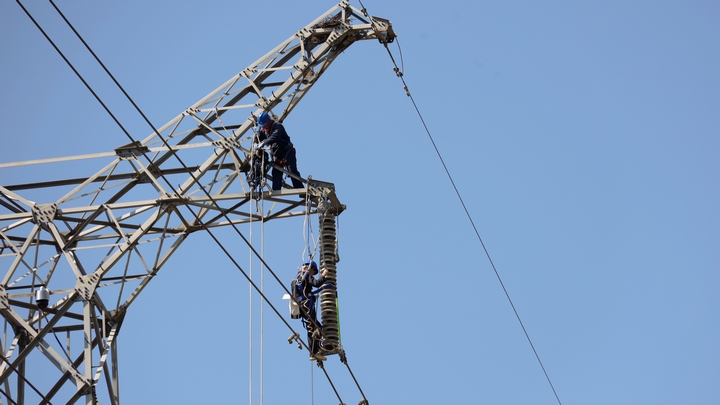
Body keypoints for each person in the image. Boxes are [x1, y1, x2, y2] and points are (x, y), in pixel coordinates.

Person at [254, 112, 304, 191]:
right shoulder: (265, 130)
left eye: (265, 125)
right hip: (278, 156)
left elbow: (275, 137)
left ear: (269, 122)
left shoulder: (277, 126)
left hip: (287, 152)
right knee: (276, 172)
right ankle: (276, 191)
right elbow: (258, 137)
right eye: (263, 126)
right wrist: (256, 143)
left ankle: (301, 190)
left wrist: (264, 143)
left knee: (292, 171)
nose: (264, 128)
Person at [292, 261, 329, 361]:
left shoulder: (296, 279)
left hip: (301, 307)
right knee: (313, 328)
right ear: (310, 268)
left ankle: (316, 350)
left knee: (315, 327)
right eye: (313, 272)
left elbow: (297, 295)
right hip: (307, 305)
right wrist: (324, 275)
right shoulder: (306, 275)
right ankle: (314, 352)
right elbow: (316, 284)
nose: (313, 274)